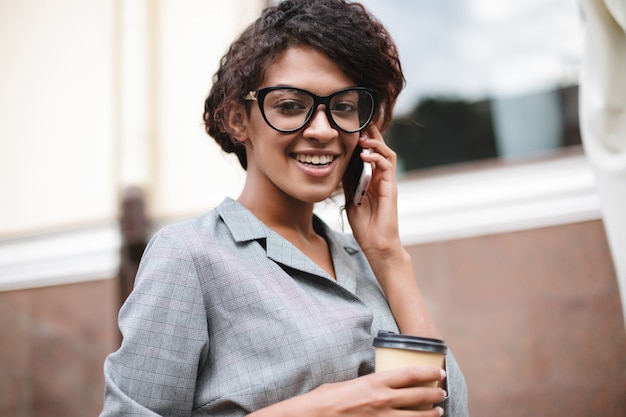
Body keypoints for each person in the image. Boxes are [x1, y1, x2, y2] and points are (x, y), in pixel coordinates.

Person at [100, 0, 468, 416]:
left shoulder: (364, 260)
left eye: (344, 107)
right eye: (291, 106)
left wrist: (389, 256)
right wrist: (324, 408)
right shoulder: (190, 256)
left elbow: (448, 409)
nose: (323, 130)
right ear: (239, 119)